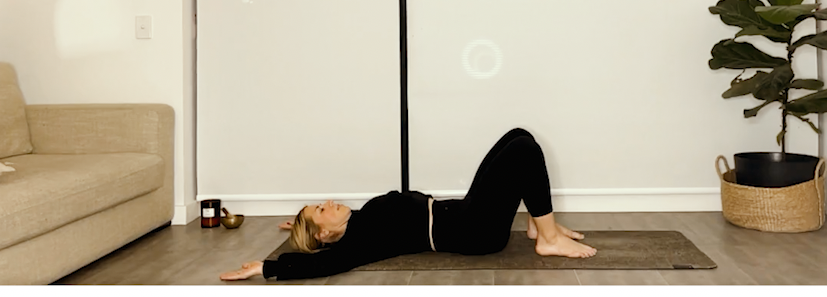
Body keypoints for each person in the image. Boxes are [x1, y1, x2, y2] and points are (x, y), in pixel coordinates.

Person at [220, 128, 597, 281]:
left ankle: (537, 222)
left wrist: (297, 225)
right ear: (325, 233)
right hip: (474, 231)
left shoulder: (359, 220)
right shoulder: (360, 241)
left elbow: (316, 238)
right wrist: (267, 267)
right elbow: (323, 263)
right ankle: (548, 238)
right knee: (524, 150)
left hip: (464, 213)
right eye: (322, 209)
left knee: (518, 135)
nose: (329, 202)